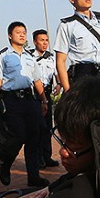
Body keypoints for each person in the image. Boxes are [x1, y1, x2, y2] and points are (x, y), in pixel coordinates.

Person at [0, 22, 49, 188]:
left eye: (24, 32)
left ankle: (34, 176)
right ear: (10, 36)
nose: (22, 35)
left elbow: (37, 81)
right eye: (18, 32)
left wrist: (44, 100)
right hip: (12, 101)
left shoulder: (30, 57)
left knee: (34, 137)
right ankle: (5, 164)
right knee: (18, 135)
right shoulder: (3, 57)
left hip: (30, 100)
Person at [31, 29, 59, 167]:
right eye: (41, 40)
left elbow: (56, 72)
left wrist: (58, 84)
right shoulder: (29, 57)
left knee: (47, 127)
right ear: (35, 42)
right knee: (37, 127)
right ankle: (37, 158)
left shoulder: (51, 57)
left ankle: (47, 156)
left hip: (47, 93)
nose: (45, 43)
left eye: (46, 40)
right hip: (34, 95)